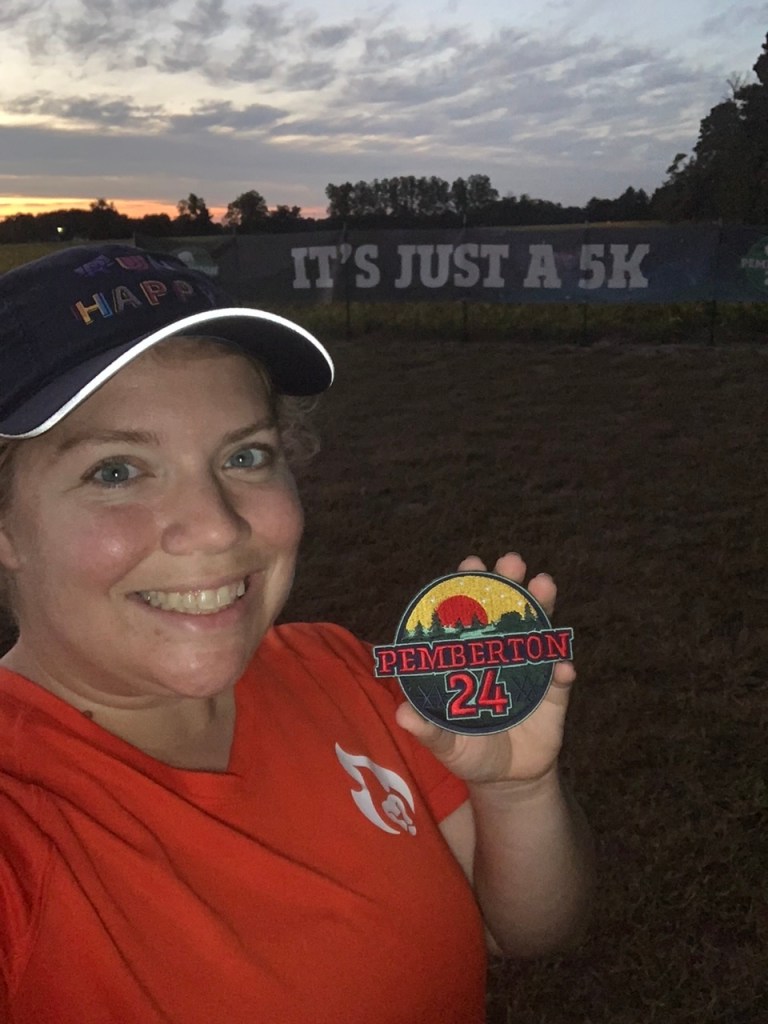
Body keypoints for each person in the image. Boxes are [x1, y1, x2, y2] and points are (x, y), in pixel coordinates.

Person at [0, 243, 593, 1024]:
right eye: (116, 470)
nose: (215, 528)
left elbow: (522, 932)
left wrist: (514, 793)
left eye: (246, 455)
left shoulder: (342, 672)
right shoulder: (24, 811)